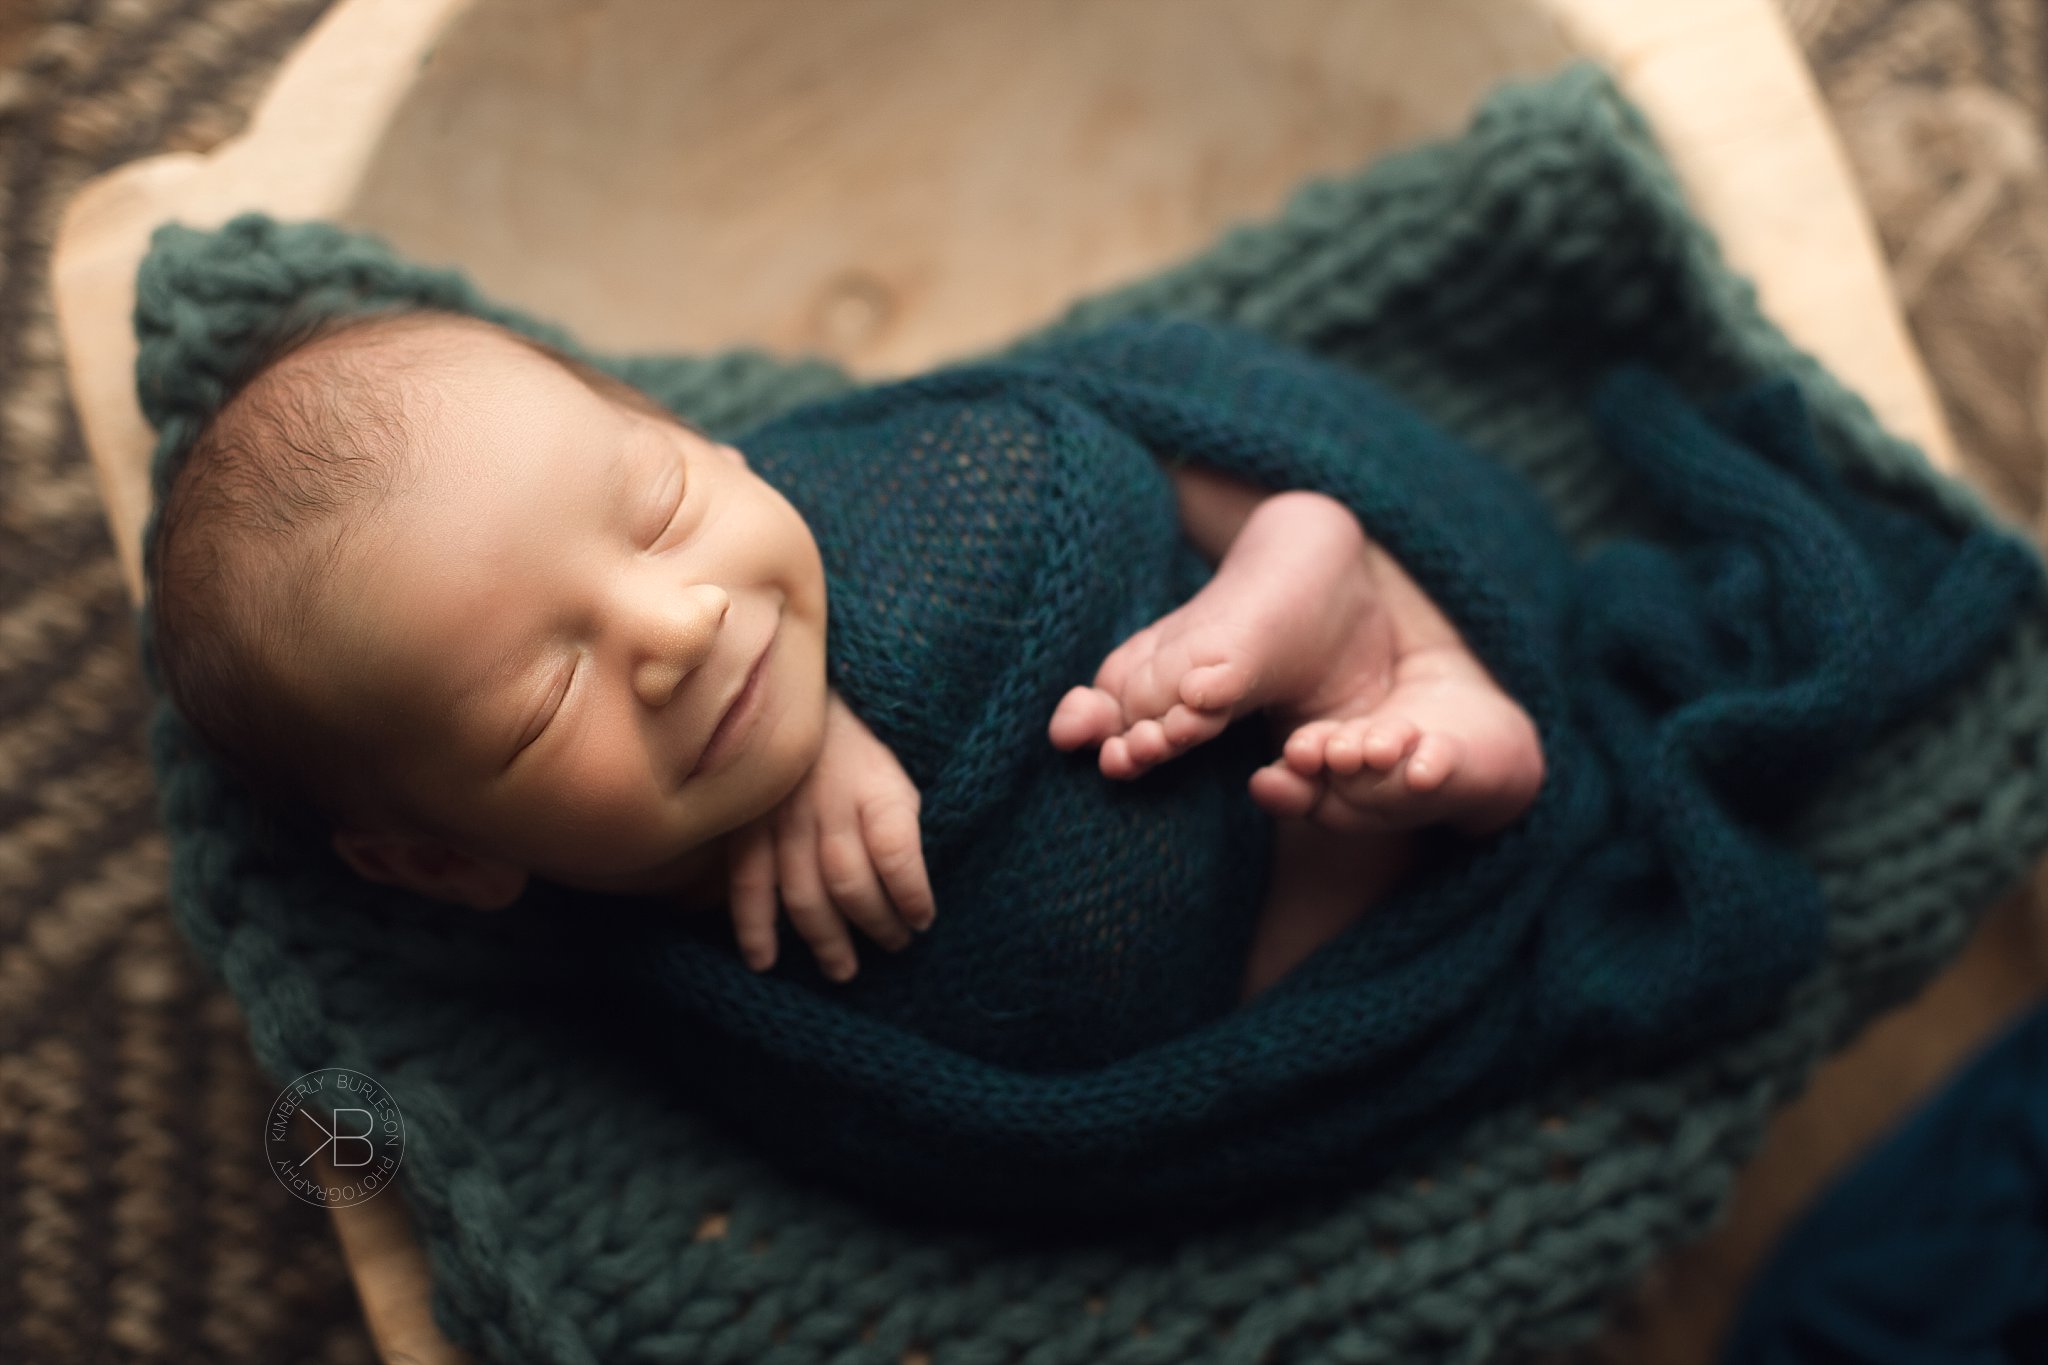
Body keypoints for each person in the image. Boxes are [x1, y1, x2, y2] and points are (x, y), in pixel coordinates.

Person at [145, 308, 1543, 1005]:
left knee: (1119, 440)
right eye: (545, 696)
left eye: (661, 508)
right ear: (447, 859)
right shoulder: (657, 995)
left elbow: (1038, 438)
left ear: (707, 442)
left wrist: (830, 707)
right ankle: (1392, 769)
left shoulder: (841, 501)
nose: (678, 626)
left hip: (1148, 585)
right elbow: (952, 1148)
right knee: (1251, 989)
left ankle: (1301, 567)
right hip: (1242, 904)